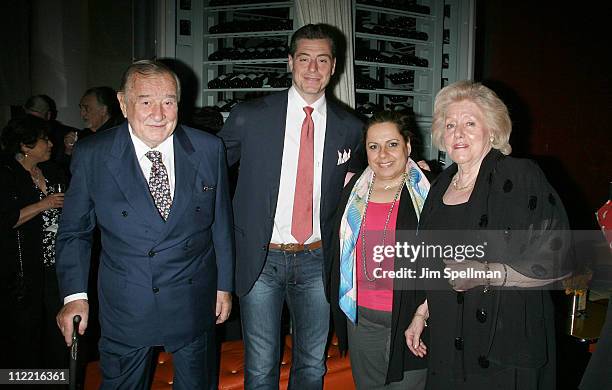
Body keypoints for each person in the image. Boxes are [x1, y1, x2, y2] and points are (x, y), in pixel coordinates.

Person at [55, 60, 234, 389]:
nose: (159, 113)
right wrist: (74, 296)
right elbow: (75, 233)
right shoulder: (93, 154)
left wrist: (224, 285)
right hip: (127, 302)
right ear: (123, 104)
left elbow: (220, 222)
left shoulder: (208, 148)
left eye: (168, 101)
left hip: (194, 298)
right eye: (146, 101)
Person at [217, 23, 363, 389]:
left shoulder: (351, 128)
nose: (313, 69)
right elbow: (210, 169)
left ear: (334, 67)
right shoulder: (251, 116)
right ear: (290, 62)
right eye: (304, 59)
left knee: (312, 365)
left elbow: (370, 179)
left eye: (322, 60)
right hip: (260, 258)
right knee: (261, 366)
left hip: (317, 259)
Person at [404, 81, 572, 389]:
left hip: (501, 344)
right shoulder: (441, 185)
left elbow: (559, 262)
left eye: (470, 123)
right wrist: (421, 312)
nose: (458, 132)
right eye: (450, 124)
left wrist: (486, 273)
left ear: (492, 131)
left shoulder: (520, 176)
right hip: (446, 341)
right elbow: (437, 262)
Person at [328, 111, 430, 389]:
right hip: (361, 316)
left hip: (413, 316)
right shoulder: (353, 190)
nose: (383, 154)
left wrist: (423, 312)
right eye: (374, 146)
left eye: (392, 144)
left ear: (408, 145)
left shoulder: (431, 191)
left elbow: (445, 261)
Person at [0, 115, 67, 370]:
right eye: (44, 139)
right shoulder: (7, 175)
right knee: (25, 337)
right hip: (24, 272)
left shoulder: (52, 171)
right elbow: (6, 220)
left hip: (56, 267)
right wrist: (43, 204)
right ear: (25, 146)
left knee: (56, 334)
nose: (51, 144)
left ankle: (59, 381)